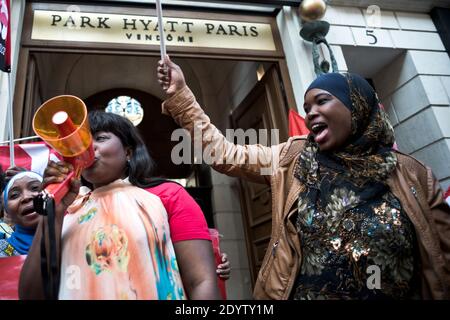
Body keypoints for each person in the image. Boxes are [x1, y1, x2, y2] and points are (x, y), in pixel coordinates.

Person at [157, 55, 450, 300]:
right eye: (307, 108)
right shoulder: (292, 157)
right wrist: (182, 96)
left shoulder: (414, 175)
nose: (311, 113)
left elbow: (443, 258)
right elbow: (223, 154)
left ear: (357, 105)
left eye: (322, 102)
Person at [19, 110, 223, 300]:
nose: (88, 147)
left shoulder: (168, 196)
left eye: (100, 138)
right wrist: (52, 212)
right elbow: (31, 294)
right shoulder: (68, 207)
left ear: (128, 152)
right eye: (82, 142)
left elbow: (200, 281)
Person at [0, 168, 42, 257]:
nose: (26, 197)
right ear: (7, 212)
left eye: (34, 188)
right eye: (14, 195)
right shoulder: (2, 253)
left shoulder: (72, 232)